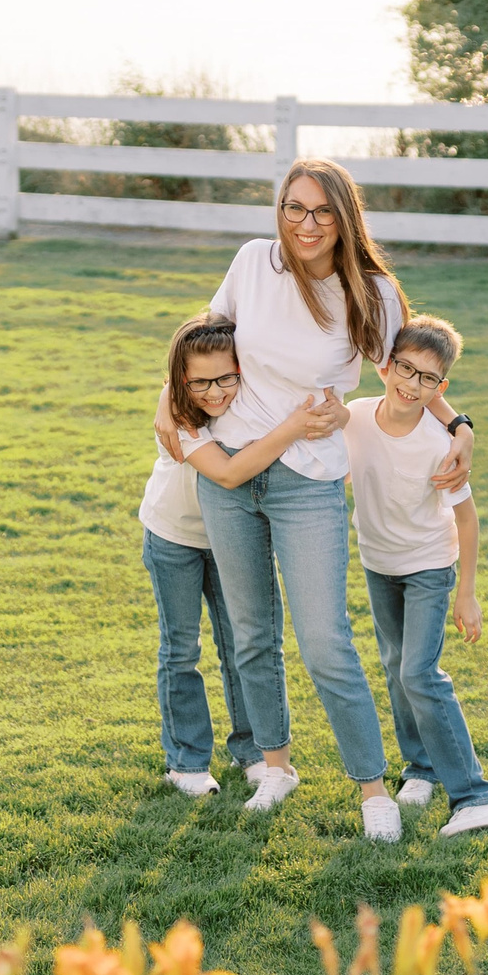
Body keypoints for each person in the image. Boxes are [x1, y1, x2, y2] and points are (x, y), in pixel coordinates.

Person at [158, 157, 475, 844]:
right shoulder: (253, 263)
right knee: (250, 633)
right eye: (293, 208)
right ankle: (275, 767)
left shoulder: (376, 292)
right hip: (234, 469)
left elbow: (410, 370)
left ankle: (371, 789)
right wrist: (169, 404)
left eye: (321, 211)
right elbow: (201, 337)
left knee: (327, 640)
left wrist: (458, 425)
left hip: (310, 478)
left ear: (344, 218)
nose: (305, 224)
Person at [139, 312, 342, 795]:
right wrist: (292, 428)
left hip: (239, 541)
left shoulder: (248, 404)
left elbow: (332, 405)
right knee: (181, 648)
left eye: (226, 379)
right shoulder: (182, 418)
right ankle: (186, 760)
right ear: (179, 380)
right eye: (199, 382)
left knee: (248, 646)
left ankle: (255, 750)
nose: (214, 393)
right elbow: (230, 474)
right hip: (176, 538)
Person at [347, 313, 488, 836]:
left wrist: (468, 594)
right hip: (378, 562)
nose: (411, 384)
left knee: (420, 672)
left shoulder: (441, 443)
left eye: (426, 379)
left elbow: (466, 517)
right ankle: (419, 767)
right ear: (385, 367)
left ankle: (476, 796)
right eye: (404, 369)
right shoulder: (353, 418)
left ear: (442, 388)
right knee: (396, 667)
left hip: (428, 566)